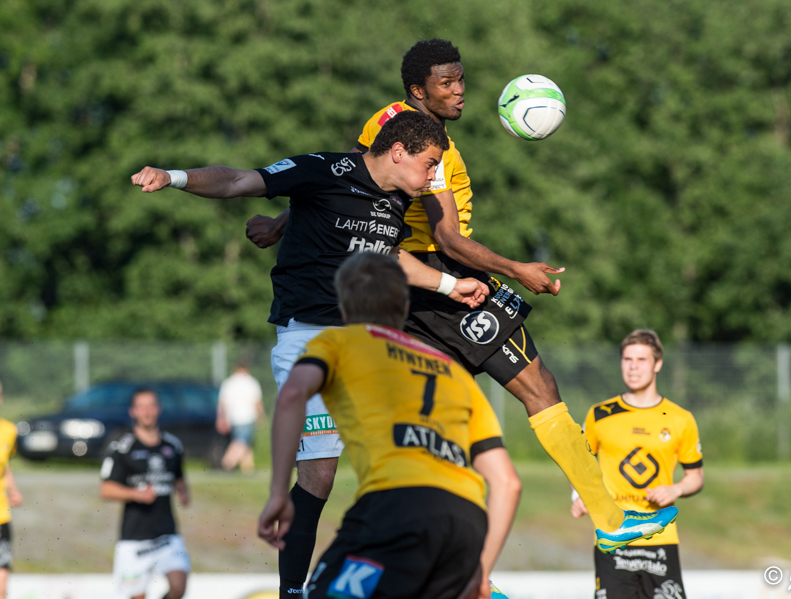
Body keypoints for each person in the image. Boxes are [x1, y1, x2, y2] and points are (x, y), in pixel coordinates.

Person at [246, 39, 677, 588]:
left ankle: (456, 575)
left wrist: (281, 222)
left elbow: (347, 182)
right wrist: (516, 269)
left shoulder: (404, 130)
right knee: (538, 388)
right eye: (446, 83)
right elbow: (440, 231)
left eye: (461, 80)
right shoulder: (419, 140)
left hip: (412, 286)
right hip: (437, 277)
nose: (459, 92)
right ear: (417, 90)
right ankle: (609, 522)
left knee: (437, 429)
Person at [131, 111, 489, 596]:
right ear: (398, 152)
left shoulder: (399, 201)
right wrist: (172, 176)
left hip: (370, 345)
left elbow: (387, 255)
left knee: (413, 455)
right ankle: (293, 590)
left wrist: (450, 285)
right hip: (311, 338)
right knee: (320, 473)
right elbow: (238, 181)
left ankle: (434, 576)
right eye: (429, 164)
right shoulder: (324, 169)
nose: (433, 177)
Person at [259, 252, 521, 599]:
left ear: (344, 309)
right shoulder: (453, 373)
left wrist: (279, 492)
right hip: (466, 522)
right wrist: (481, 574)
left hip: (397, 508)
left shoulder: (340, 342)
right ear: (404, 307)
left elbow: (293, 394)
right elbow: (507, 483)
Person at [571, 329, 703, 599]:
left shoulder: (680, 418)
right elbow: (579, 464)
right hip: (612, 536)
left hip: (660, 537)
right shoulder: (600, 414)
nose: (633, 366)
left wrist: (675, 489)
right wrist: (578, 495)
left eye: (642, 359)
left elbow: (696, 477)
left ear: (658, 364)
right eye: (627, 359)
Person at [100, 388, 191, 599]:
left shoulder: (172, 445)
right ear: (133, 412)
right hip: (135, 539)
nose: (147, 412)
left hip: (167, 534)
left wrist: (183, 492)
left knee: (179, 585)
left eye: (151, 406)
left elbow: (179, 478)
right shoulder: (122, 448)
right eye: (142, 407)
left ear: (158, 409)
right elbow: (106, 489)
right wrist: (137, 494)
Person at [217, 363, 265, 473]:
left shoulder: (228, 382)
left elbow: (222, 403)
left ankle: (248, 469)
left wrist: (221, 418)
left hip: (232, 418)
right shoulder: (251, 382)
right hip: (247, 417)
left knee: (246, 443)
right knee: (241, 443)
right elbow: (257, 402)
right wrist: (261, 416)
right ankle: (226, 464)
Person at [0, 379, 22, 599]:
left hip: (1, 515)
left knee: (2, 579)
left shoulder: (9, 430)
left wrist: (13, 490)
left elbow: (5, 465)